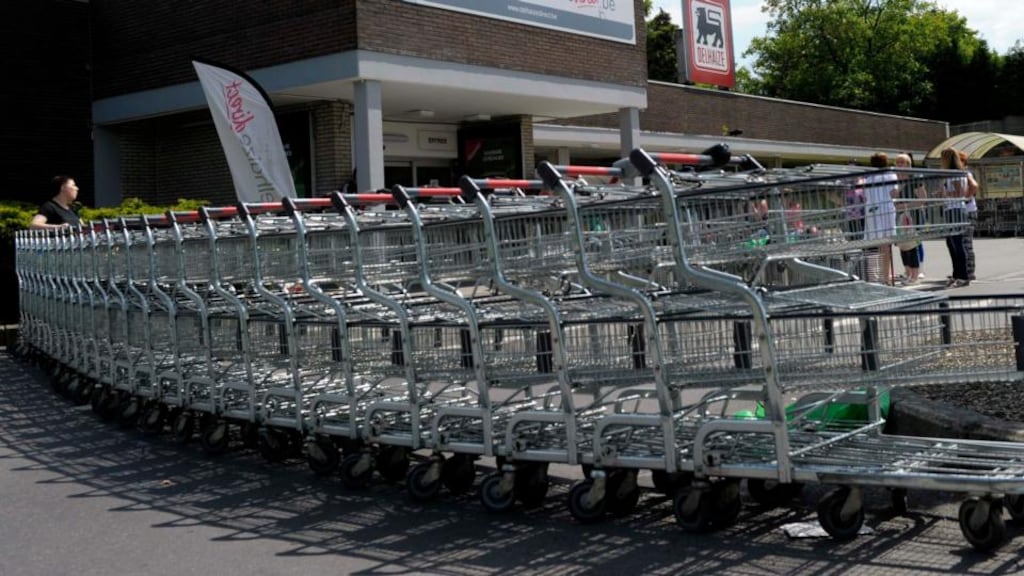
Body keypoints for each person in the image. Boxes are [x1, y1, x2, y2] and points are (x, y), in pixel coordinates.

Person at [862, 152, 898, 284]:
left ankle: (873, 276)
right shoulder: (891, 175)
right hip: (886, 210)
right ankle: (886, 275)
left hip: (872, 210)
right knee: (885, 244)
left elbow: (865, 196)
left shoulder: (868, 178)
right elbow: (894, 193)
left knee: (872, 242)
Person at [939, 148, 970, 287]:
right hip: (950, 209)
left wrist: (945, 194)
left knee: (957, 242)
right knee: (951, 243)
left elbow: (959, 193)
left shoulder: (956, 174)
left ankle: (963, 276)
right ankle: (956, 274)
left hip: (956, 209)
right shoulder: (950, 174)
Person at [893, 153, 922, 283]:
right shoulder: (893, 179)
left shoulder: (914, 179)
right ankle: (908, 272)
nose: (899, 165)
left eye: (902, 162)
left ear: (908, 165)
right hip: (899, 216)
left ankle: (915, 275)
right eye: (897, 162)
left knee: (912, 245)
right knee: (902, 245)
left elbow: (922, 199)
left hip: (913, 215)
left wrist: (905, 205)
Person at [958, 150, 980, 280]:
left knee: (967, 242)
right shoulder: (955, 173)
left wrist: (965, 197)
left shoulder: (966, 173)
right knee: (960, 243)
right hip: (960, 211)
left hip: (969, 211)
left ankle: (970, 272)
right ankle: (963, 270)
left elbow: (974, 186)